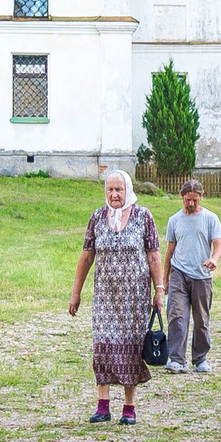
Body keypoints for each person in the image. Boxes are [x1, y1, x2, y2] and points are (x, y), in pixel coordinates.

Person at [68, 168, 165, 424]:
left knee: (132, 348)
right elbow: (87, 256)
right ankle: (103, 406)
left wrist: (159, 290)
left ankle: (129, 407)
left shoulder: (144, 216)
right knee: (102, 346)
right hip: (105, 298)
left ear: (128, 190)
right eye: (110, 189)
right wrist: (75, 293)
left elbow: (154, 255)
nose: (114, 194)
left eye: (118, 189)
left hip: (135, 297)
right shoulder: (97, 218)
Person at [161, 178, 221, 373]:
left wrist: (214, 259)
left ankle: (200, 359)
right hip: (178, 273)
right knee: (177, 316)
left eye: (195, 200)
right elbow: (169, 251)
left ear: (201, 198)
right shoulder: (174, 220)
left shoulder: (210, 218)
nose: (191, 203)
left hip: (202, 276)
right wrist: (164, 279)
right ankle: (177, 359)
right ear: (182, 197)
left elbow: (218, 244)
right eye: (188, 199)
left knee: (201, 319)